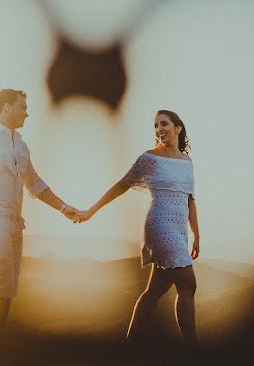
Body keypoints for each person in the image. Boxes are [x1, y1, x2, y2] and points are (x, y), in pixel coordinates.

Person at [75, 109, 200, 346]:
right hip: (160, 227)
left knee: (154, 292)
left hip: (180, 230)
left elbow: (190, 199)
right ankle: (194, 350)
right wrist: (91, 210)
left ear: (178, 128)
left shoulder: (187, 162)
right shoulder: (149, 158)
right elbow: (121, 185)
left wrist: (196, 236)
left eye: (164, 124)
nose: (159, 129)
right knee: (188, 286)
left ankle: (129, 345)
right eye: (155, 125)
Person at [0, 89, 79, 334]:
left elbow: (34, 183)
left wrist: (64, 208)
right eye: (22, 107)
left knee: (8, 290)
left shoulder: (21, 146)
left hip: (15, 223)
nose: (27, 112)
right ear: (6, 108)